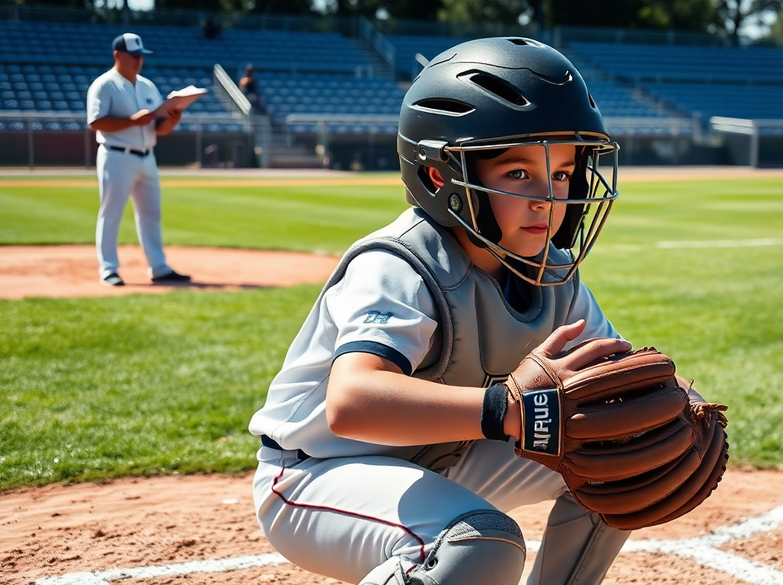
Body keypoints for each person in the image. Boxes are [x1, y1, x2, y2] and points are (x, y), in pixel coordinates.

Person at [249, 37, 700, 585]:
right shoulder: (401, 263)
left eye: (561, 174)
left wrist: (669, 404)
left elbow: (605, 384)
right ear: (441, 176)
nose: (549, 197)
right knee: (480, 543)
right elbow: (352, 403)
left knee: (620, 451)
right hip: (315, 474)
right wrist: (508, 410)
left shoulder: (549, 271)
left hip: (442, 456)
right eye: (518, 174)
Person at [87, 33, 190, 286]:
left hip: (147, 156)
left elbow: (157, 128)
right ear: (117, 56)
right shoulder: (104, 84)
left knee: (151, 214)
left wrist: (171, 122)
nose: (138, 61)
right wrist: (132, 120)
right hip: (116, 155)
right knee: (111, 213)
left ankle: (159, 267)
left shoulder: (147, 85)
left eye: (141, 56)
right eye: (134, 56)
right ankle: (108, 268)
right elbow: (96, 122)